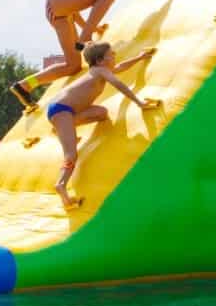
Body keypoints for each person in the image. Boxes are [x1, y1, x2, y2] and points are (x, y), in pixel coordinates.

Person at [8, 0, 185, 110]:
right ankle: (85, 38)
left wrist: (92, 28)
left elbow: (74, 11)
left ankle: (24, 86)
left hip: (59, 13)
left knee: (73, 66)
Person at [47, 42, 158, 208]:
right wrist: (138, 102)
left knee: (101, 113)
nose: (114, 56)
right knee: (71, 154)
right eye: (111, 55)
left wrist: (139, 57)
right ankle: (61, 184)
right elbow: (119, 84)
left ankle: (62, 130)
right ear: (100, 60)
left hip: (65, 111)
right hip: (62, 110)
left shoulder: (99, 70)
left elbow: (120, 67)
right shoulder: (101, 71)